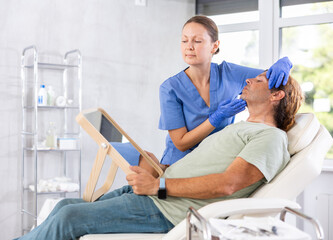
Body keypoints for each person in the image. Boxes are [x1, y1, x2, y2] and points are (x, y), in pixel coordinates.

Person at [15, 69, 303, 240]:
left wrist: (160, 186)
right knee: (64, 205)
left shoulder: (271, 138)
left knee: (70, 218)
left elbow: (227, 184)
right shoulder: (241, 127)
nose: (250, 79)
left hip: (168, 208)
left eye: (261, 80)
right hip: (159, 191)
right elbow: (203, 167)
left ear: (276, 95)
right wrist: (160, 169)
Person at [158, 15, 293, 166]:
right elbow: (181, 143)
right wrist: (216, 118)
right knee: (149, 188)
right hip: (176, 165)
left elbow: (273, 81)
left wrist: (285, 62)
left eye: (197, 41)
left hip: (215, 163)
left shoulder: (230, 73)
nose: (189, 46)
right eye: (184, 40)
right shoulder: (170, 88)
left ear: (214, 46)